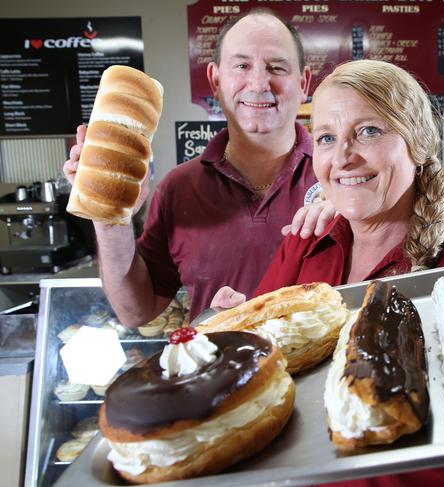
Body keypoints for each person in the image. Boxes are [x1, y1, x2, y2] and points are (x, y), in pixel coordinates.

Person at [215, 60, 444, 487]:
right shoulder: (304, 244)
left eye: (369, 131)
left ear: (418, 145)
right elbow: (264, 379)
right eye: (328, 138)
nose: (344, 157)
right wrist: (236, 337)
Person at [63, 10, 334, 326]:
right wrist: (111, 219)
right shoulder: (178, 189)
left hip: (325, 372)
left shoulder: (343, 176)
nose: (260, 83)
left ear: (303, 83)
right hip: (218, 372)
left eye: (277, 67)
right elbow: (135, 311)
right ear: (215, 81)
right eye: (242, 66)